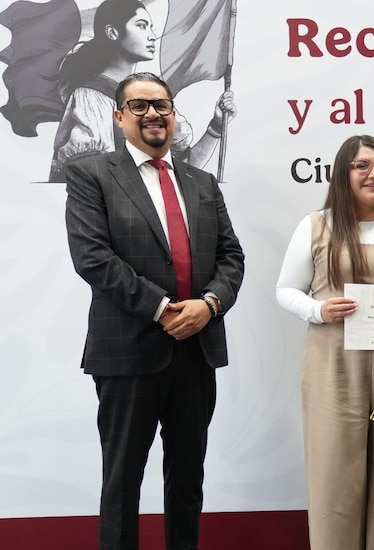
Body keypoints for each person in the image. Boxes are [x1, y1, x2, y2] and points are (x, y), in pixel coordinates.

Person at [64, 71, 245, 550]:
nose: (152, 114)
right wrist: (163, 310)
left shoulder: (203, 182)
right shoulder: (91, 174)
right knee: (122, 483)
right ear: (119, 116)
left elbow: (231, 257)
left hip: (197, 352)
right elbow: (93, 258)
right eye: (139, 106)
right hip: (128, 352)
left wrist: (210, 305)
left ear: (173, 113)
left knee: (187, 482)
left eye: (161, 105)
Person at [275, 135, 374, 550]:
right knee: (334, 482)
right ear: (342, 173)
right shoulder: (317, 225)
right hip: (333, 367)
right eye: (362, 165)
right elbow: (286, 289)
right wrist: (319, 309)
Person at [49, 0, 235, 181]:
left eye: (150, 27)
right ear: (112, 32)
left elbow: (183, 173)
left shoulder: (152, 94)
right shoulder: (91, 96)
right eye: (141, 26)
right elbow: (89, 180)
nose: (152, 36)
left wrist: (216, 126)